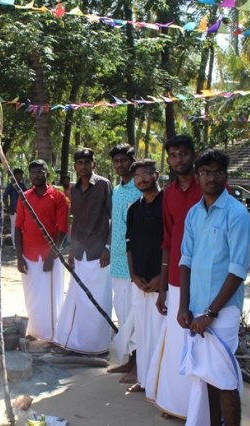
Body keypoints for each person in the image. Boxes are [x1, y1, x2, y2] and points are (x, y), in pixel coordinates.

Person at [178, 149, 250, 426]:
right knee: (207, 376)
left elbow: (237, 270)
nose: (211, 177)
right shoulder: (194, 214)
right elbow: (185, 261)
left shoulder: (237, 214)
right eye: (206, 172)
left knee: (224, 380)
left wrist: (210, 312)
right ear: (197, 177)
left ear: (226, 176)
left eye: (217, 172)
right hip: (196, 308)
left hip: (222, 311)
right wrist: (183, 306)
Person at [146, 135, 199, 419]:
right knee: (178, 341)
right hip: (177, 278)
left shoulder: (209, 187)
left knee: (200, 343)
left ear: (193, 155)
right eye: (174, 155)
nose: (179, 159)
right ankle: (176, 404)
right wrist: (164, 286)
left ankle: (200, 409)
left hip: (205, 279)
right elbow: (167, 240)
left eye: (183, 154)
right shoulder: (169, 194)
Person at [54, 148, 112, 355]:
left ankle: (99, 346)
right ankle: (81, 343)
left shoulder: (104, 185)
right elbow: (75, 221)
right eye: (79, 163)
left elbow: (112, 217)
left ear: (93, 164)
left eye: (87, 162)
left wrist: (108, 247)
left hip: (100, 252)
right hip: (80, 252)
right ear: (75, 166)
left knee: (99, 297)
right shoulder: (74, 190)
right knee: (80, 297)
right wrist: (71, 249)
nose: (83, 166)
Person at [15, 159, 69, 341]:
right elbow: (17, 229)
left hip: (50, 257)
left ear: (48, 174)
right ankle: (35, 331)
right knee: (31, 295)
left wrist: (51, 256)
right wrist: (19, 257)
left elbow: (62, 230)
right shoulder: (24, 197)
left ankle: (53, 335)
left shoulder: (59, 198)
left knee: (51, 297)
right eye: (33, 172)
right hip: (28, 255)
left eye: (40, 171)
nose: (36, 175)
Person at [124, 159, 165, 394]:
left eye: (146, 173)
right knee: (142, 332)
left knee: (162, 334)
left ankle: (161, 386)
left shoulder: (167, 203)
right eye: (137, 175)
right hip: (139, 282)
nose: (142, 179)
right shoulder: (134, 209)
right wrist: (133, 276)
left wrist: (162, 276)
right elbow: (128, 245)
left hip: (163, 283)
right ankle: (145, 379)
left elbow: (172, 244)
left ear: (156, 175)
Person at [108, 144, 141, 383]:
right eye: (116, 161)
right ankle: (129, 361)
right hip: (117, 262)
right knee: (122, 313)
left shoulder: (139, 189)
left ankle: (138, 366)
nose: (120, 165)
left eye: (123, 160)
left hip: (135, 263)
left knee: (136, 316)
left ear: (132, 160)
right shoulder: (117, 191)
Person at [2, 168, 27, 249]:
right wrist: (7, 207)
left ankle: (21, 244)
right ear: (15, 175)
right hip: (13, 210)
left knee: (22, 227)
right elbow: (4, 196)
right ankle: (14, 246)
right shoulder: (10, 186)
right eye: (20, 174)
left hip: (22, 210)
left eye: (22, 175)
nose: (21, 176)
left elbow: (27, 196)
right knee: (14, 227)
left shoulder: (23, 185)